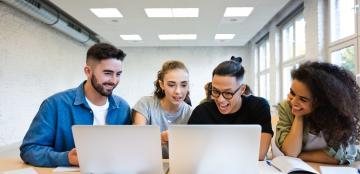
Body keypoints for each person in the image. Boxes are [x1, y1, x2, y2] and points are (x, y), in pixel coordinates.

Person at [20, 43, 132, 167]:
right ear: (88, 71)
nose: (114, 80)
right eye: (107, 73)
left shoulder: (123, 108)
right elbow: (29, 149)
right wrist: (66, 158)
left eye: (118, 74)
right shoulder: (54, 105)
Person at [188, 56, 273, 160]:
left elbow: (259, 154)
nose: (220, 99)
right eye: (215, 91)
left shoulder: (259, 106)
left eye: (228, 93)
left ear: (242, 89)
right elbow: (191, 153)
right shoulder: (201, 111)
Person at [275, 61, 360, 164]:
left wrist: (299, 156)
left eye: (303, 99)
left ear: (321, 102)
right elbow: (291, 152)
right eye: (292, 93)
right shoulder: (287, 107)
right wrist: (298, 116)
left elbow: (341, 155)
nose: (293, 101)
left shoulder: (339, 114)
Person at [132, 60, 192, 158]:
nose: (178, 91)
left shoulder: (191, 113)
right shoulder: (145, 104)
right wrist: (159, 138)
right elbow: (137, 143)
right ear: (162, 84)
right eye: (171, 85)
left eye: (184, 85)